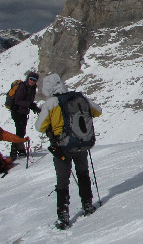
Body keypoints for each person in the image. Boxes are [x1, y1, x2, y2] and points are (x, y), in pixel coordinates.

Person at [34, 74, 102, 229]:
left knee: (62, 181)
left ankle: (63, 217)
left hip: (61, 147)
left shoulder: (50, 103)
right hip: (80, 142)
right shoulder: (78, 97)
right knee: (83, 174)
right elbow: (97, 111)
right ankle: (87, 205)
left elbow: (39, 127)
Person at [10, 71, 40, 159]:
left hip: (23, 112)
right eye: (31, 79)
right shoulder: (22, 87)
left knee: (21, 131)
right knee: (20, 131)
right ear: (28, 79)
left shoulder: (32, 88)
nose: (32, 81)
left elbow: (29, 101)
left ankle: (19, 150)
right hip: (17, 112)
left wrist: (33, 107)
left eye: (34, 80)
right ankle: (15, 151)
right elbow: (18, 101)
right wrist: (30, 105)